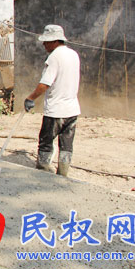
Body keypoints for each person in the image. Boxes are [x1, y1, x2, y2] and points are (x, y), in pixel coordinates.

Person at [24, 24, 80, 177]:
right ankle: (63, 173)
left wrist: (30, 98)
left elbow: (45, 84)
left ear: (55, 41)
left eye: (46, 41)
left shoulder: (54, 57)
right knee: (66, 144)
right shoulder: (73, 54)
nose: (44, 44)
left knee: (45, 141)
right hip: (72, 110)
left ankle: (43, 171)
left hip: (56, 110)